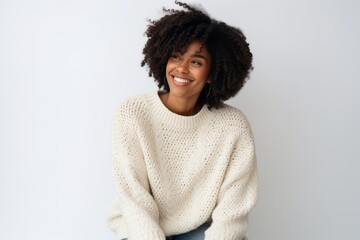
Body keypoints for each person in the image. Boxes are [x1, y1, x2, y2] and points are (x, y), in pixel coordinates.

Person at [108, 1, 259, 239]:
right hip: (141, 228)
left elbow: (233, 211)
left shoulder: (233, 126)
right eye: (176, 57)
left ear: (211, 74)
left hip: (201, 231)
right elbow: (134, 197)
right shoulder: (132, 113)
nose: (182, 68)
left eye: (196, 62)